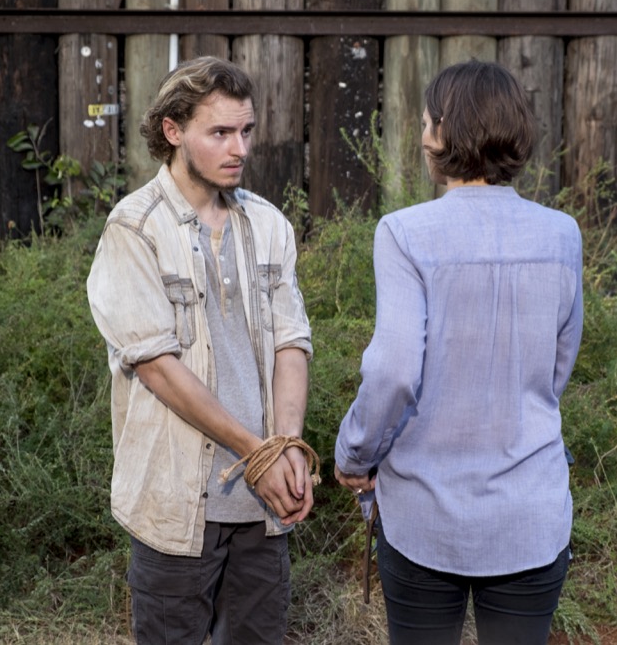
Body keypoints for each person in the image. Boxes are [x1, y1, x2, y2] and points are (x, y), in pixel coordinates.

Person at [333, 60, 584, 645]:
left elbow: (394, 372)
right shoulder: (562, 234)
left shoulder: (403, 233)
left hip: (425, 515)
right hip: (529, 511)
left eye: (427, 121)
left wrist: (355, 454)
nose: (421, 134)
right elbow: (557, 367)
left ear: (443, 134)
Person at [86, 56, 315, 645]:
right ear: (173, 131)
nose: (239, 148)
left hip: (261, 517)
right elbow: (157, 367)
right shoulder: (133, 229)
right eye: (219, 133)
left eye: (246, 132)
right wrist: (256, 455)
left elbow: (292, 340)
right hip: (175, 505)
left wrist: (285, 446)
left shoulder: (269, 225)